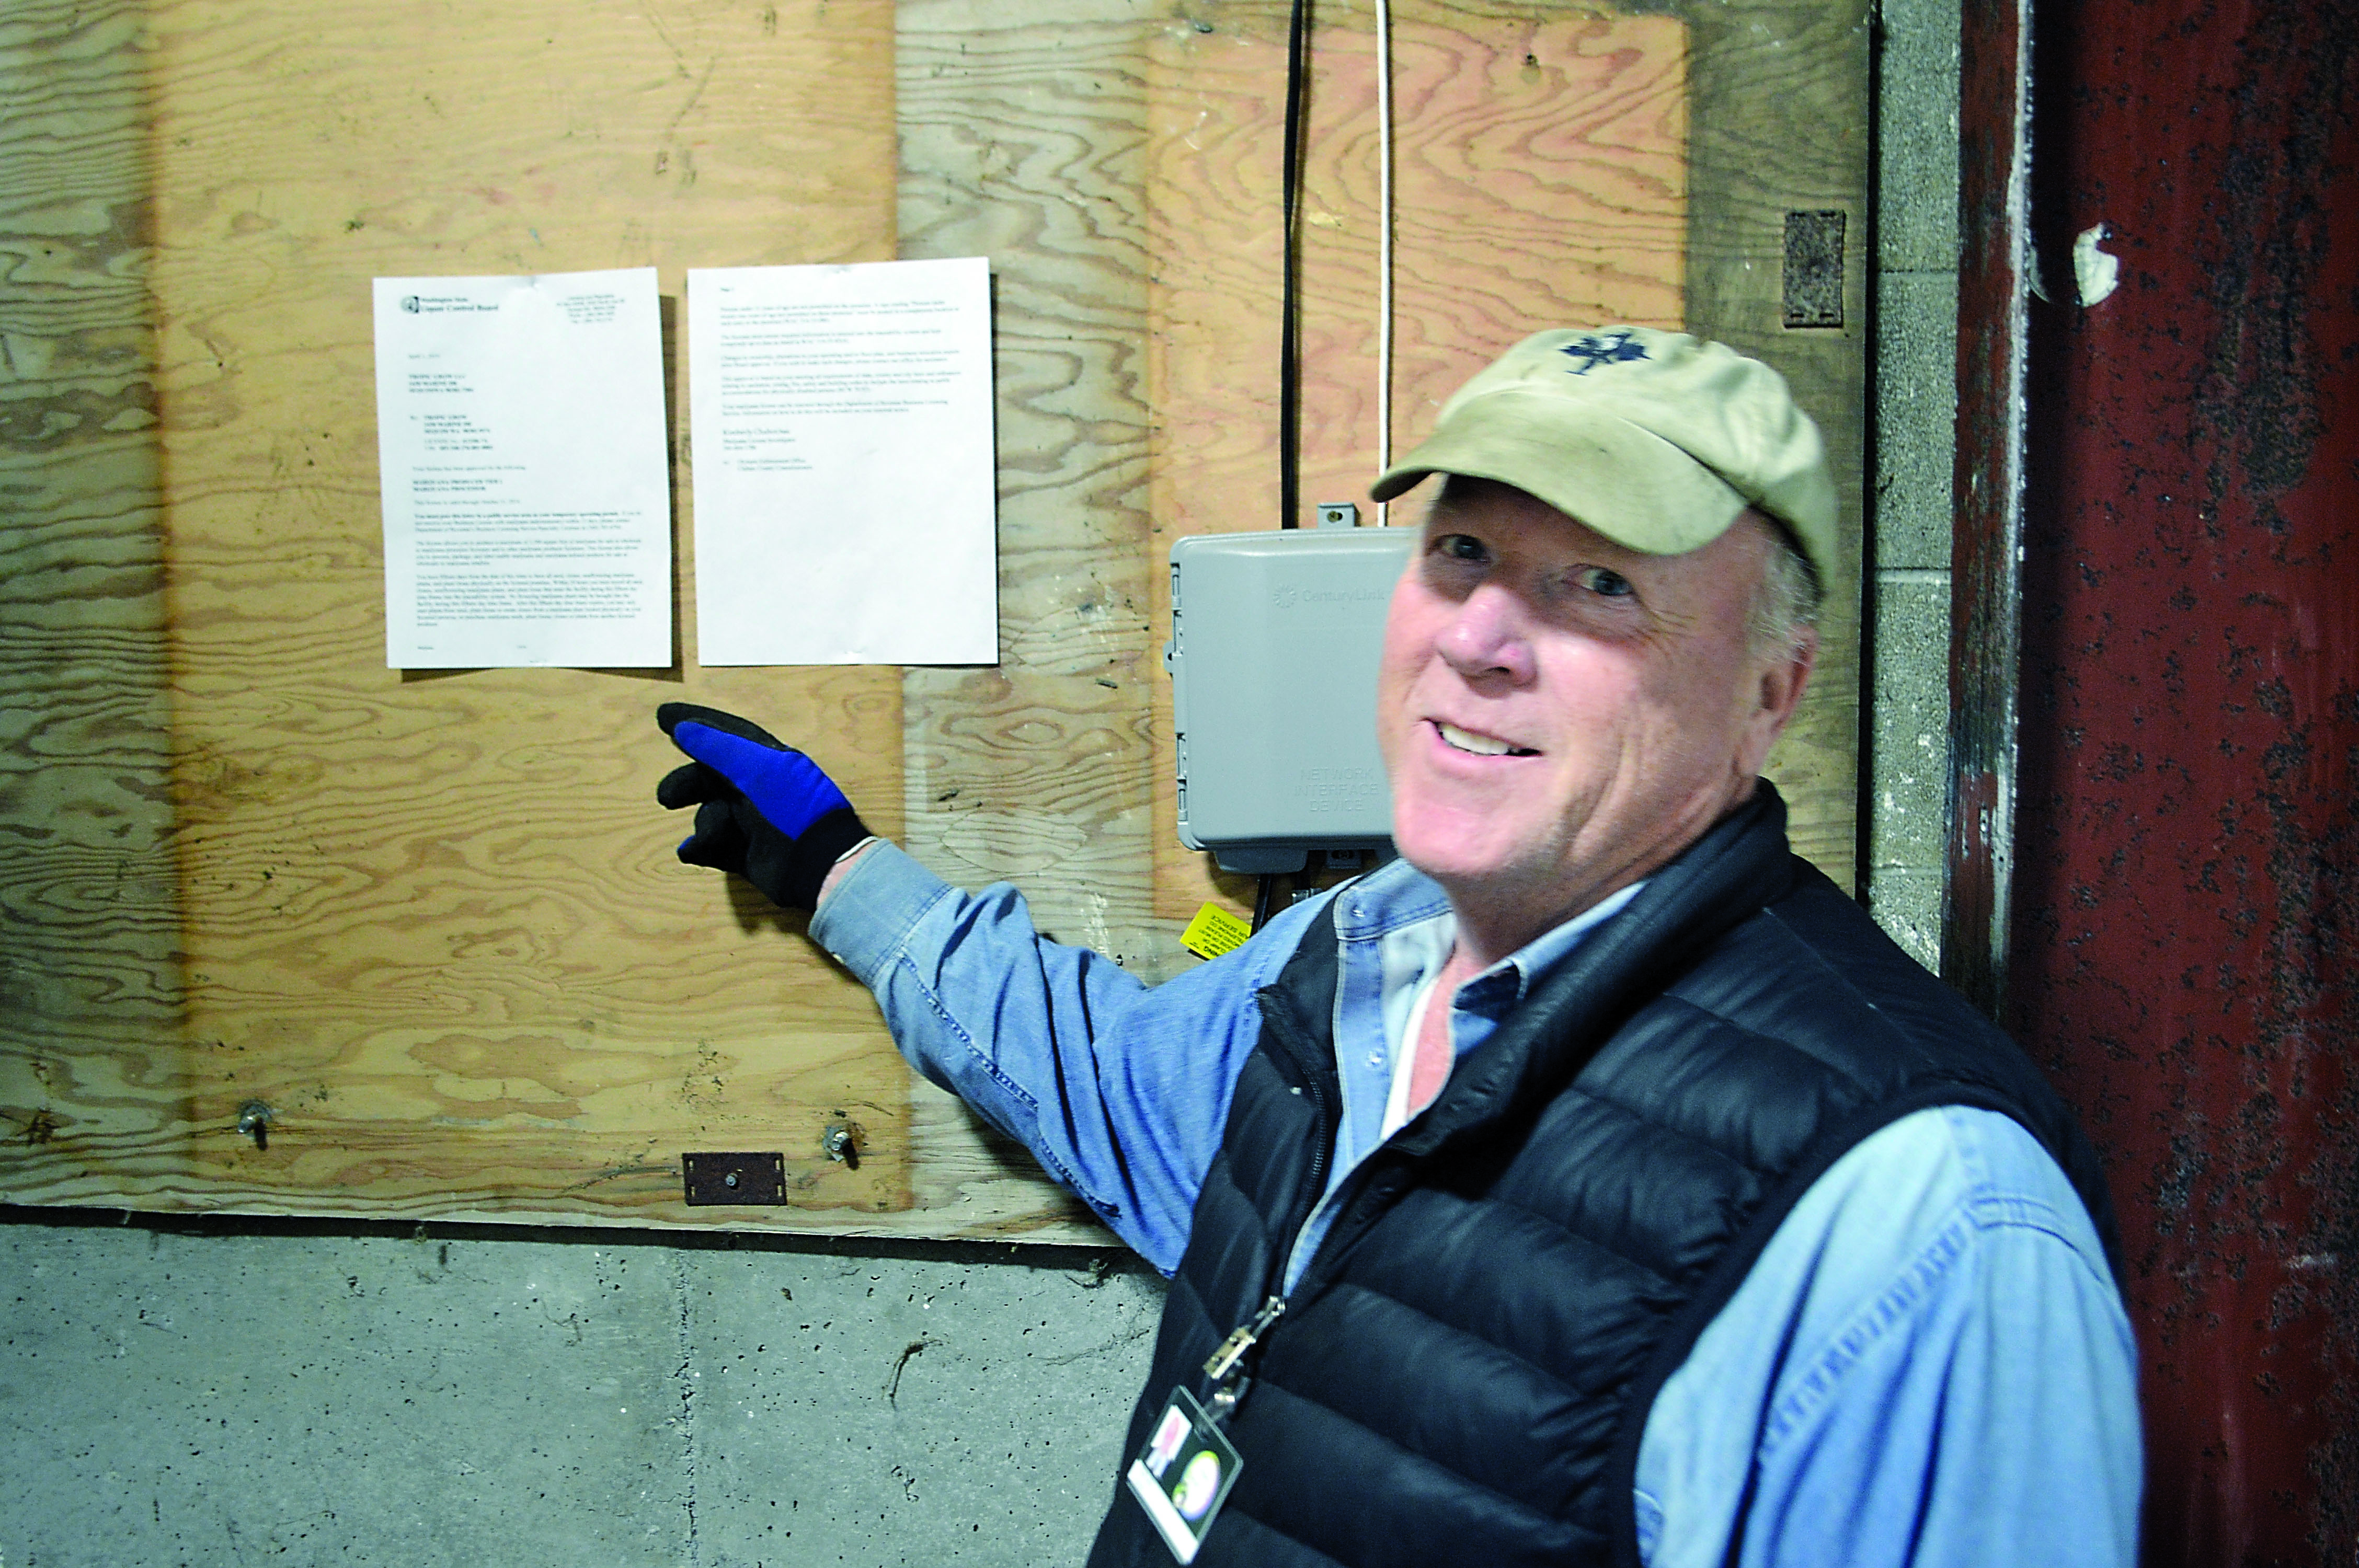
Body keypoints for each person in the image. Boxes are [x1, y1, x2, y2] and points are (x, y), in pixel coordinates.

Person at [654, 327, 2142, 1568]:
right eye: (1464, 550)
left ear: (1770, 692)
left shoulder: (1923, 1225)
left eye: (1601, 583)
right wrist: (843, 870)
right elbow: (1111, 1081)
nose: (1478, 636)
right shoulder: (1358, 957)